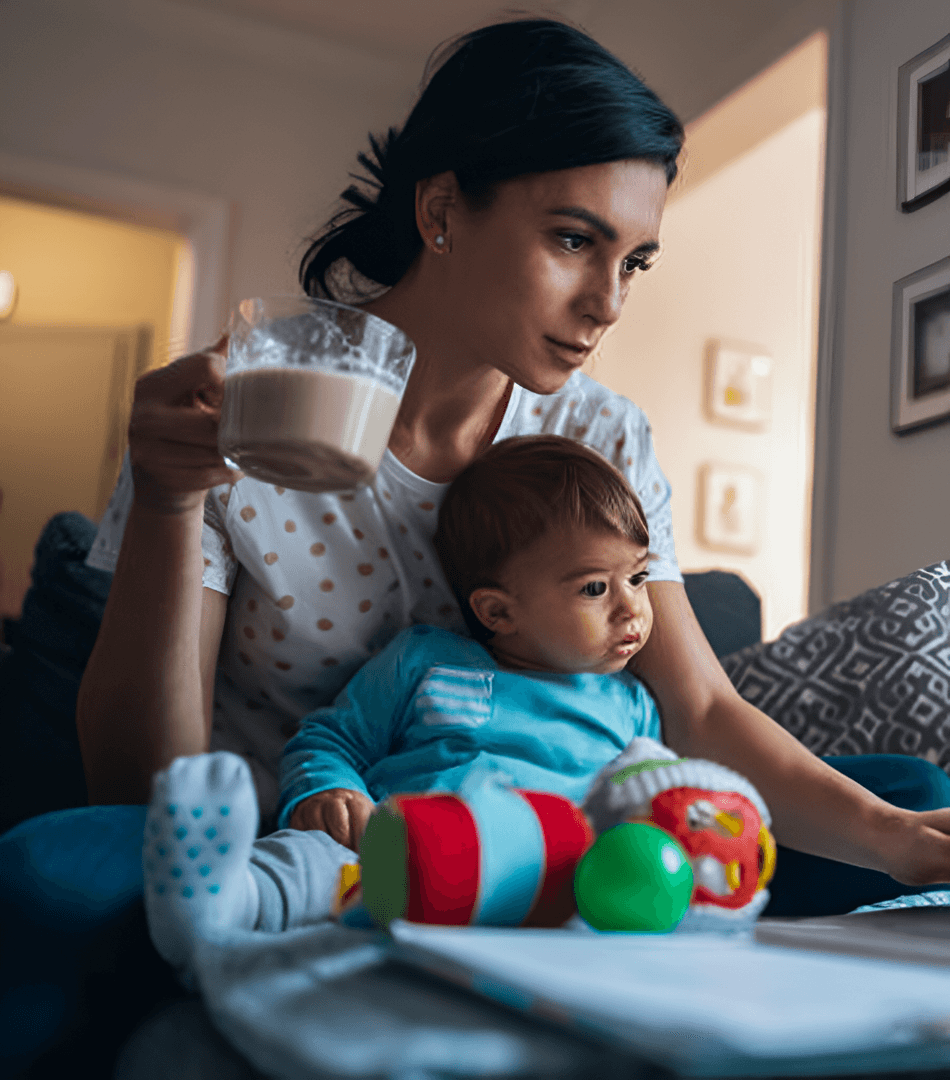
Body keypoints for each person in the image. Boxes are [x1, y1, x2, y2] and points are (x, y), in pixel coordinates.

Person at [6, 12, 950, 1072]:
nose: (606, 302)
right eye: (572, 239)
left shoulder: (601, 433)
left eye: (633, 260)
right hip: (306, 846)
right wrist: (173, 505)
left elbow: (698, 710)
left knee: (899, 797)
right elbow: (140, 781)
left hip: (549, 835)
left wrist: (890, 837)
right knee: (56, 869)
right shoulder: (245, 393)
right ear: (442, 209)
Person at [143, 434, 669, 973]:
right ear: (497, 611)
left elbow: (653, 798)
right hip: (388, 861)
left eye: (638, 577)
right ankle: (220, 907)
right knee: (314, 861)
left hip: (534, 885)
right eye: (594, 589)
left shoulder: (630, 708)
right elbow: (331, 738)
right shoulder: (427, 661)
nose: (631, 608)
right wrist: (330, 788)